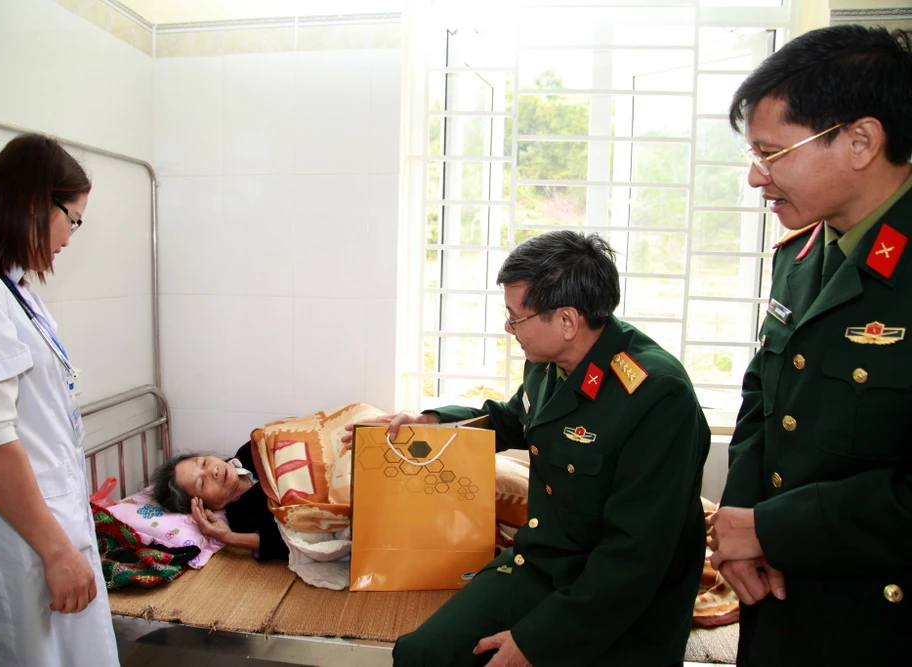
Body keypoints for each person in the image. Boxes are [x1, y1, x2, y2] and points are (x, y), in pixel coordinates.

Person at [344, 230, 710, 667]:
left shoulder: (656, 395)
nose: (508, 327)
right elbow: (515, 419)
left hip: (621, 600)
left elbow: (635, 556)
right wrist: (430, 422)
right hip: (543, 566)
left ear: (567, 321)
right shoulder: (548, 364)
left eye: (515, 317)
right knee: (423, 655)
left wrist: (538, 641)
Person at [708, 25, 912, 667]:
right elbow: (764, 396)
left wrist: (770, 528)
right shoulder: (799, 255)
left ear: (860, 142)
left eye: (772, 154)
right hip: (778, 601)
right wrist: (740, 517)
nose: (755, 178)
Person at [0, 134, 119, 666]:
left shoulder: (11, 286)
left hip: (50, 519)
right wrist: (55, 548)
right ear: (34, 203)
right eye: (73, 219)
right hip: (24, 535)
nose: (70, 236)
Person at [149, 442, 289, 561]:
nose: (213, 470)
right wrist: (228, 537)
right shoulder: (242, 518)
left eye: (204, 463)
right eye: (202, 483)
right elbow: (288, 542)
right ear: (204, 505)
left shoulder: (250, 450)